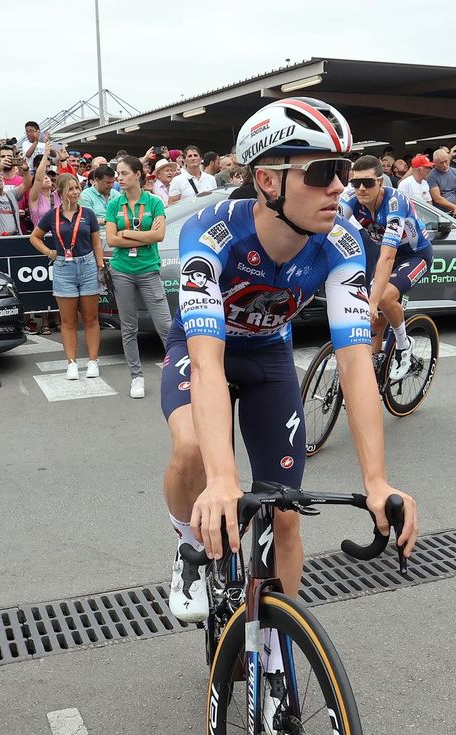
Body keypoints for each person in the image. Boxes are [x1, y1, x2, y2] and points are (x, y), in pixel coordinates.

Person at [162, 97, 417, 640]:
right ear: (268, 181)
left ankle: (276, 655)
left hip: (269, 356)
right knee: (192, 452)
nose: (339, 188)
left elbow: (354, 365)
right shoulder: (210, 236)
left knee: (286, 511)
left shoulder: (342, 243)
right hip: (204, 348)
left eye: (344, 171)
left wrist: (376, 482)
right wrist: (224, 479)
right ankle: (187, 543)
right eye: (322, 172)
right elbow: (206, 366)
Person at [339, 156, 434, 381]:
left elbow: (388, 256)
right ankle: (374, 360)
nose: (361, 188)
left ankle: (404, 346)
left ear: (380, 182)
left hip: (414, 255)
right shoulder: (351, 198)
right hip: (387, 255)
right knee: (373, 315)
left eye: (368, 183)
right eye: (356, 182)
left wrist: (373, 301)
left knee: (382, 298)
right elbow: (330, 231)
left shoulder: (395, 203)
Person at [29, 173, 105, 381]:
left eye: (77, 188)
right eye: (70, 189)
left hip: (87, 265)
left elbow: (96, 242)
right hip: (63, 267)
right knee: (68, 320)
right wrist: (49, 252)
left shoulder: (87, 214)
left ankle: (92, 360)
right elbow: (34, 237)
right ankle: (71, 362)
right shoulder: (52, 215)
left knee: (90, 318)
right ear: (60, 193)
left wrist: (100, 264)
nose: (75, 192)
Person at [105, 157, 170, 400]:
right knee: (129, 327)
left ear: (138, 175)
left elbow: (160, 235)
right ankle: (136, 376)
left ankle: (178, 372)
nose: (119, 178)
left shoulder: (153, 202)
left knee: (165, 325)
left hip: (148, 269)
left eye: (123, 173)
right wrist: (145, 235)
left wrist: (128, 233)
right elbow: (112, 240)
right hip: (121, 269)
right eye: (118, 174)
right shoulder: (115, 204)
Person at [427, 149, 456, 218]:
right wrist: (454, 207)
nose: (444, 165)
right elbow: (437, 198)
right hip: (441, 213)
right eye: (441, 163)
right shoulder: (431, 175)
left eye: (446, 161)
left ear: (449, 159)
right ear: (434, 163)